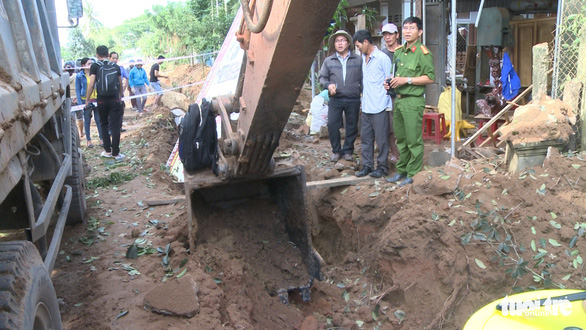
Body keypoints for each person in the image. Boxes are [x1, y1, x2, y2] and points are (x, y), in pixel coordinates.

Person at [385, 17, 435, 187]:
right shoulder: (398, 52)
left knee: (413, 139)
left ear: (419, 32)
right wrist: (390, 83)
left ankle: (413, 174)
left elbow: (429, 78)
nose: (407, 31)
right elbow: (395, 75)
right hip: (398, 100)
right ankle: (402, 171)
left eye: (411, 28)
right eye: (405, 28)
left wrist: (407, 80)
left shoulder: (423, 52)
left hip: (413, 101)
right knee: (401, 139)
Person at [353, 29, 392, 178]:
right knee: (366, 139)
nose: (358, 49)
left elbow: (390, 81)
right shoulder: (364, 59)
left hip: (380, 105)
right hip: (367, 106)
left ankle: (382, 167)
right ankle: (367, 166)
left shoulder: (382, 58)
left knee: (381, 140)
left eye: (358, 46)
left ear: (366, 42)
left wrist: (387, 101)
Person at [318, 30, 362, 162]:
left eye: (343, 40)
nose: (340, 43)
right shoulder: (328, 61)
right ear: (334, 44)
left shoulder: (358, 60)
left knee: (352, 126)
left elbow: (364, 79)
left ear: (348, 43)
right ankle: (336, 151)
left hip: (353, 98)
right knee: (332, 124)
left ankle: (348, 150)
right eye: (337, 41)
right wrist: (328, 85)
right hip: (336, 99)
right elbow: (322, 78)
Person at [86, 45, 125, 160]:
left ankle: (107, 151)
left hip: (102, 99)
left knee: (103, 124)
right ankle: (116, 153)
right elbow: (120, 83)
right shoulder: (116, 66)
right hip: (114, 99)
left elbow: (92, 84)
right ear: (108, 55)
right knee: (115, 125)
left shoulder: (95, 66)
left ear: (97, 55)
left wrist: (87, 99)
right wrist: (119, 96)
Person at [380, 23, 401, 163]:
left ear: (397, 35)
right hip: (386, 94)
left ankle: (404, 154)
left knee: (402, 126)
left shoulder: (403, 52)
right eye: (385, 35)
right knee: (389, 126)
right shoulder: (381, 54)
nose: (388, 37)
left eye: (391, 34)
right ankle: (394, 153)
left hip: (403, 93)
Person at [76, 57, 102, 148]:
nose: (90, 65)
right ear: (83, 65)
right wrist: (81, 103)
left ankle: (101, 139)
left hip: (95, 99)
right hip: (85, 101)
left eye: (91, 63)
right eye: (88, 64)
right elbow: (78, 90)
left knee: (98, 120)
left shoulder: (95, 74)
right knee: (87, 121)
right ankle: (88, 140)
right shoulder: (79, 76)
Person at [65, 61, 84, 139]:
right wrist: (77, 96)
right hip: (77, 98)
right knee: (80, 117)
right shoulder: (77, 76)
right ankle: (81, 133)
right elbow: (81, 87)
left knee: (72, 119)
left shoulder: (63, 78)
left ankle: (75, 135)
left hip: (69, 100)